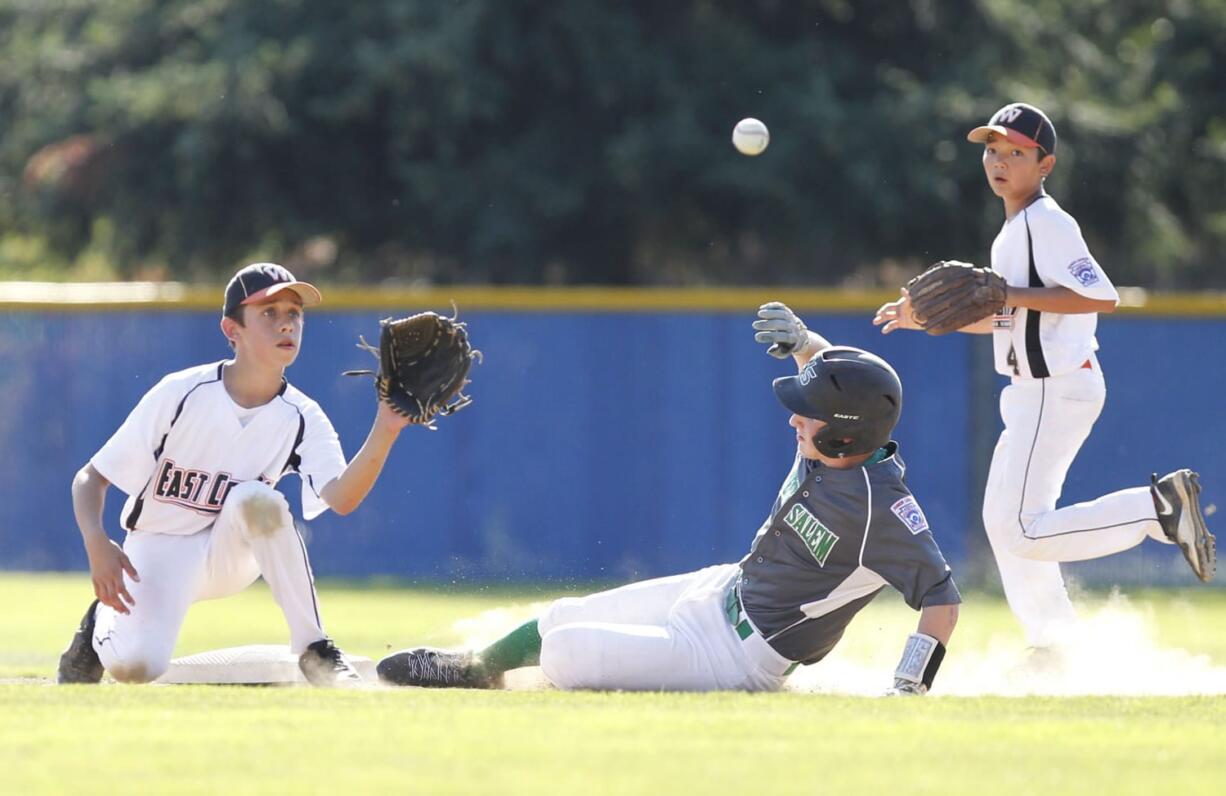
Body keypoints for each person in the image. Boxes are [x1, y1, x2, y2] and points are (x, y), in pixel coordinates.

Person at [377, 304, 961, 694]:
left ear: (844, 431)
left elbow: (942, 600)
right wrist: (806, 343)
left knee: (565, 653)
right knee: (560, 616)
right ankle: (477, 668)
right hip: (720, 589)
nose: (794, 423)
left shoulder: (880, 508)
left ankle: (505, 669)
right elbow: (835, 384)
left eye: (807, 418)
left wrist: (909, 686)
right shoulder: (838, 444)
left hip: (739, 657)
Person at [873, 102, 1216, 651]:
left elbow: (1100, 296)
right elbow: (1018, 316)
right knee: (1004, 524)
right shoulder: (1014, 231)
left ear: (1045, 164)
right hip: (1036, 391)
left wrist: (1008, 293)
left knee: (1021, 529)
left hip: (1055, 390)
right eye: (991, 149)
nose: (998, 160)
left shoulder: (1046, 223)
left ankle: (1154, 509)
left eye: (1015, 151)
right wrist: (931, 320)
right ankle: (1054, 645)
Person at [57, 262, 414, 686]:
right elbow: (90, 478)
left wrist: (386, 429)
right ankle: (99, 625)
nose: (286, 324)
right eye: (269, 313)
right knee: (137, 667)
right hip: (156, 551)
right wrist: (97, 544)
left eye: (294, 314)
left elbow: (341, 498)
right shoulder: (182, 393)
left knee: (256, 500)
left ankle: (314, 647)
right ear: (232, 329)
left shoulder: (302, 417)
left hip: (229, 553)